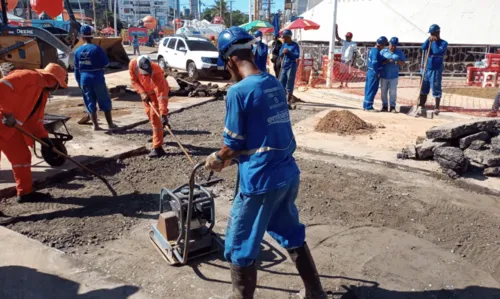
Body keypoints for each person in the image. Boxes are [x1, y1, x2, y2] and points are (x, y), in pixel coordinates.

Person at [206, 26, 327, 299]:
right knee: (290, 232)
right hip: (286, 174)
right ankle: (315, 293)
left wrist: (216, 159)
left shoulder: (238, 92)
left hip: (259, 183)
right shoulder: (273, 83)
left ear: (231, 60)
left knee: (239, 245)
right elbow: (266, 132)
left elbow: (233, 145)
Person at [0, 63, 68, 223]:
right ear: (53, 80)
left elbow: (34, 121)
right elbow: (2, 86)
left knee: (22, 157)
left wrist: (45, 140)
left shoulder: (41, 94)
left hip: (10, 129)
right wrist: (7, 113)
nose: (56, 88)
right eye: (58, 85)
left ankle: (25, 193)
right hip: (2, 122)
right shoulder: (28, 76)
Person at [74, 25, 117, 131]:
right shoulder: (96, 49)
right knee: (104, 100)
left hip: (84, 79)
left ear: (82, 37)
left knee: (89, 102)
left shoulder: (77, 51)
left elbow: (76, 69)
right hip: (97, 78)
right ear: (91, 36)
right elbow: (106, 63)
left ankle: (95, 125)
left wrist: (79, 81)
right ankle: (110, 124)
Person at [129, 55, 170, 158]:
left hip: (157, 94)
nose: (146, 75)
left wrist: (163, 114)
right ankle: (160, 133)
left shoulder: (157, 72)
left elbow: (162, 95)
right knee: (149, 114)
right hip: (146, 95)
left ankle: (158, 148)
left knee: (155, 118)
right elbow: (134, 80)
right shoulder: (133, 65)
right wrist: (142, 93)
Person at [419, 24, 448, 116]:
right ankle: (421, 104)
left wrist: (434, 43)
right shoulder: (430, 41)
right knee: (424, 86)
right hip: (427, 67)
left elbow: (436, 51)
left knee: (436, 87)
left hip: (436, 68)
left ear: (438, 32)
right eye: (430, 33)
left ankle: (436, 106)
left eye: (433, 33)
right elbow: (423, 48)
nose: (431, 35)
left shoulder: (443, 43)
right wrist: (428, 40)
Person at [363, 36, 390, 112]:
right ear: (381, 45)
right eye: (384, 45)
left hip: (371, 72)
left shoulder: (373, 50)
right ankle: (368, 107)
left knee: (368, 89)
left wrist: (385, 60)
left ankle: (366, 105)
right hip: (373, 73)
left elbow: (379, 59)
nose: (384, 47)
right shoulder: (376, 51)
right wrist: (377, 72)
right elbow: (375, 62)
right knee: (372, 89)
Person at [380, 37, 407, 112]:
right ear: (389, 43)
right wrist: (386, 61)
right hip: (384, 75)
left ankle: (392, 107)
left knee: (393, 92)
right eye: (392, 45)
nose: (393, 47)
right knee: (383, 91)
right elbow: (379, 62)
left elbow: (403, 62)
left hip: (394, 76)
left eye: (395, 45)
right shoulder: (383, 51)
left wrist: (399, 63)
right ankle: (384, 106)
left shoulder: (399, 52)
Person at [279, 29, 300, 109]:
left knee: (289, 83)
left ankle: (289, 101)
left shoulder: (295, 45)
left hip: (291, 65)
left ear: (288, 37)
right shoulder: (284, 45)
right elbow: (280, 54)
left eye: (284, 37)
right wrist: (283, 52)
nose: (283, 39)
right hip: (284, 65)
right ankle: (282, 100)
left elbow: (297, 55)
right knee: (281, 82)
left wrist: (289, 52)